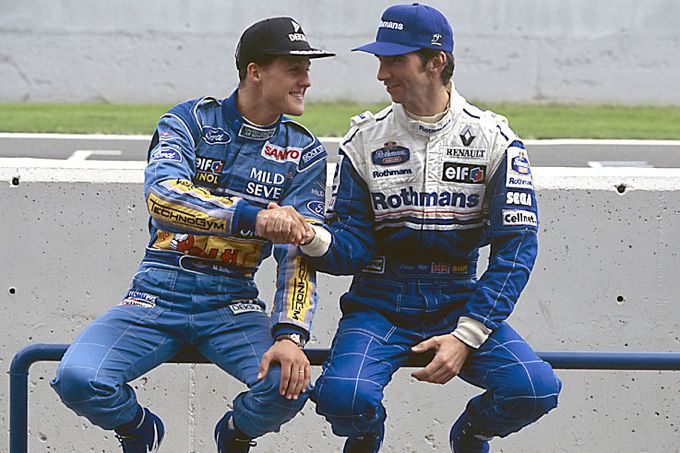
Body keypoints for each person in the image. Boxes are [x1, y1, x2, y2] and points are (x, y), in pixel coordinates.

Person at [50, 16, 333, 453]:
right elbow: (162, 197)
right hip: (155, 293)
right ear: (255, 71)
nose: (307, 80)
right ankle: (138, 427)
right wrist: (253, 218)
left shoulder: (305, 151)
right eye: (295, 69)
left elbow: (298, 253)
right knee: (77, 378)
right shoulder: (189, 120)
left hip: (232, 301)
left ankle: (235, 434)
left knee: (287, 384)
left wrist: (290, 335)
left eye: (308, 69)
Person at [298, 3, 562, 452]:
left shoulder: (494, 139)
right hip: (378, 301)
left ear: (436, 61)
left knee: (534, 389)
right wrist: (309, 237)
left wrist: (466, 335)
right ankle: (365, 434)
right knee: (343, 399)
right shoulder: (363, 139)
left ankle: (471, 436)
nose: (381, 74)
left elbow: (517, 249)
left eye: (394, 60)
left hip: (458, 298)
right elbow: (351, 249)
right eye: (380, 60)